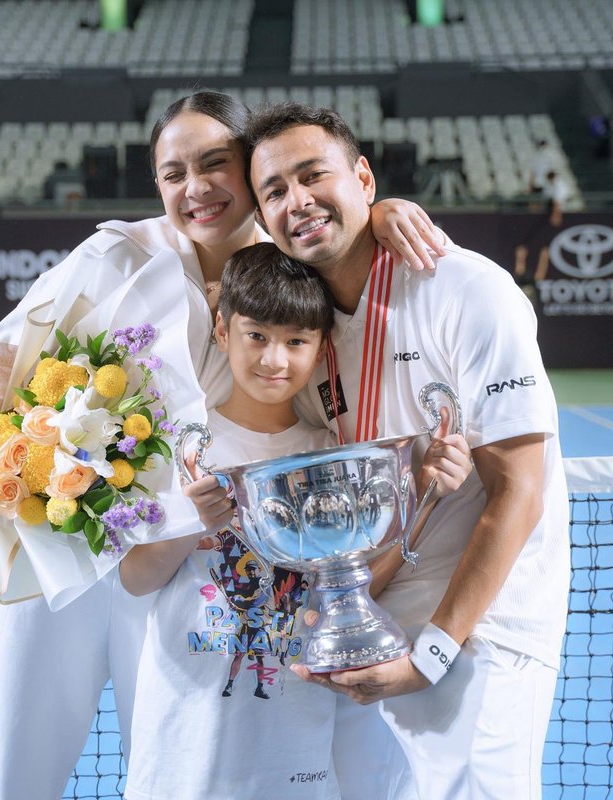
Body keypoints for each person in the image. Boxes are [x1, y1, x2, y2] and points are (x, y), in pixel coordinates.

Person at [0, 90, 443, 800]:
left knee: (162, 749)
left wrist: (380, 214)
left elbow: (341, 241)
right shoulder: (116, 254)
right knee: (18, 760)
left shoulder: (287, 268)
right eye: (174, 173)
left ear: (250, 168)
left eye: (215, 164)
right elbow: (3, 364)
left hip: (174, 570)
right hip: (66, 550)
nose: (195, 188)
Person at [244, 102, 570, 800]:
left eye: (313, 175)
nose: (297, 200)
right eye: (274, 191)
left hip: (478, 637)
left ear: (363, 178)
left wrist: (432, 655)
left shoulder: (466, 289)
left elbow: (520, 492)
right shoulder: (306, 331)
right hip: (375, 632)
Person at [119, 243, 471, 800]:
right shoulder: (178, 445)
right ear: (223, 331)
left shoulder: (333, 454)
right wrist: (191, 520)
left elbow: (354, 586)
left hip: (297, 730)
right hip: (185, 730)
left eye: (296, 341)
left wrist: (427, 495)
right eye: (256, 335)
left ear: (321, 345)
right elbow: (135, 579)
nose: (274, 359)